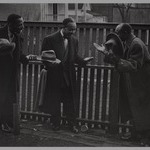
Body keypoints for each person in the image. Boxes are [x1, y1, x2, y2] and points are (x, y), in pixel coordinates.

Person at [98, 23, 150, 145]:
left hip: (143, 83)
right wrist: (106, 53)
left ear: (126, 33)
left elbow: (133, 65)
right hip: (135, 82)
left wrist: (113, 58)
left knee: (143, 110)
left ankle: (145, 139)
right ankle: (136, 135)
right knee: (134, 109)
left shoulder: (136, 44)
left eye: (118, 33)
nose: (117, 35)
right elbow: (120, 59)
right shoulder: (129, 42)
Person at [39, 17, 93, 133]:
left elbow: (73, 57)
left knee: (70, 101)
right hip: (55, 76)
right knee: (55, 100)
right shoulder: (50, 39)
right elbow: (44, 58)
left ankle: (72, 124)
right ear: (63, 28)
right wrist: (53, 65)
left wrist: (83, 61)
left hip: (69, 77)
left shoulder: (74, 40)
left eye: (74, 30)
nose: (73, 32)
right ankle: (56, 124)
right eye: (70, 29)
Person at [0, 14, 35, 133]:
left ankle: (7, 123)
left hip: (11, 75)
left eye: (23, 24)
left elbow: (18, 54)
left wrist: (25, 59)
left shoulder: (19, 36)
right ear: (10, 24)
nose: (22, 27)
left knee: (10, 99)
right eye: (20, 24)